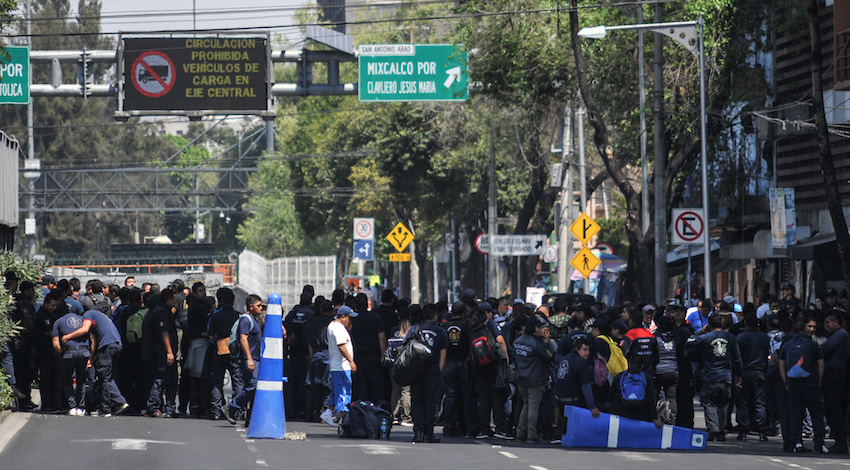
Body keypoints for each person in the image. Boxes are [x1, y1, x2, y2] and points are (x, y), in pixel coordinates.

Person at [686, 314, 743, 442]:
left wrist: (699, 332)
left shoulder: (706, 338)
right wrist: (738, 374)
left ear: (709, 325)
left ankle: (713, 428)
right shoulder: (730, 338)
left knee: (708, 402)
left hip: (710, 376)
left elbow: (689, 343)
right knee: (723, 404)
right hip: (726, 376)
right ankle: (721, 430)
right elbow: (737, 358)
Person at [779, 316, 828, 454]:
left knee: (796, 414)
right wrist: (818, 381)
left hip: (793, 384)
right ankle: (819, 443)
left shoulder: (787, 344)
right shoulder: (813, 345)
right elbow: (821, 363)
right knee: (816, 414)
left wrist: (786, 381)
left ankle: (797, 443)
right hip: (810, 384)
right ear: (805, 329)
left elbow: (781, 364)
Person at [408, 303, 448, 443]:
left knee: (417, 400)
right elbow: (443, 356)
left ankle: (418, 431)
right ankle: (428, 432)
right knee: (430, 402)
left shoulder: (414, 329)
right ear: (435, 315)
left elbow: (407, 350)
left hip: (416, 371)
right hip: (432, 371)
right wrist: (439, 371)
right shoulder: (441, 331)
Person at [222, 294, 264, 425]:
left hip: (254, 359)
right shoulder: (246, 320)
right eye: (258, 306)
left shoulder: (254, 319)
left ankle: (249, 417)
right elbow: (243, 339)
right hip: (248, 359)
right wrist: (249, 358)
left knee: (252, 387)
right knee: (253, 385)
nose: (261, 308)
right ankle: (231, 407)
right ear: (251, 306)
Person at [513, 315, 554, 444]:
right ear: (535, 328)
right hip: (535, 379)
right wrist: (547, 344)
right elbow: (549, 357)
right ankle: (531, 434)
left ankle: (520, 433)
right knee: (533, 407)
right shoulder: (537, 343)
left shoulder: (518, 340)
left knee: (526, 406)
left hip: (521, 377)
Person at [440, 301, 476, 438]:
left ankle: (449, 426)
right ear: (464, 312)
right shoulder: (467, 325)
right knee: (467, 396)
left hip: (449, 363)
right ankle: (469, 427)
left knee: (451, 396)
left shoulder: (445, 326)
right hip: (464, 363)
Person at [207, 287, 243, 420]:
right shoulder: (238, 316)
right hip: (235, 352)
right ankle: (237, 410)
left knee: (217, 381)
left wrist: (217, 340)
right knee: (237, 381)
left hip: (219, 349)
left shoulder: (215, 316)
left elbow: (210, 336)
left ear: (221, 300)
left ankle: (216, 410)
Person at [554, 337, 600, 438]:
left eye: (588, 350)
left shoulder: (565, 359)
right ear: (577, 349)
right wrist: (592, 406)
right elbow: (585, 387)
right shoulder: (580, 363)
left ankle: (559, 434)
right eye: (584, 350)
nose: (587, 353)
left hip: (559, 398)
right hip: (572, 400)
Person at [734, 314, 770, 441]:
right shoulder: (765, 338)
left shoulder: (741, 338)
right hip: (759, 371)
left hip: (745, 371)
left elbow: (737, 357)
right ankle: (762, 430)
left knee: (743, 401)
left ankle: (743, 430)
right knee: (759, 401)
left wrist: (737, 374)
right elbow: (767, 355)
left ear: (745, 324)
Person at [144, 289, 179, 417]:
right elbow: (164, 332)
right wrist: (169, 352)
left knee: (171, 380)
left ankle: (170, 408)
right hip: (163, 352)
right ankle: (153, 406)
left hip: (162, 351)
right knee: (161, 379)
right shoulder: (162, 313)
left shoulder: (158, 312)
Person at [52, 303, 90, 415]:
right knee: (81, 380)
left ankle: (72, 406)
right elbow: (92, 338)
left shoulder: (58, 321)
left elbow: (55, 344)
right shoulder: (83, 320)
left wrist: (60, 354)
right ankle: (81, 406)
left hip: (68, 353)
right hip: (84, 352)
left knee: (67, 380)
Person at [322, 306, 357, 427]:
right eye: (349, 318)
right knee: (344, 391)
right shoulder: (338, 328)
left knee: (337, 390)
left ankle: (328, 411)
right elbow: (341, 345)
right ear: (343, 317)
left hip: (338, 365)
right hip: (341, 366)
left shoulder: (334, 326)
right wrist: (351, 361)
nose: (350, 321)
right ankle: (344, 418)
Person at [821, 310, 850, 453]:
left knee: (834, 408)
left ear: (835, 323)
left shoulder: (841, 335)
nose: (825, 325)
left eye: (828, 322)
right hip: (832, 374)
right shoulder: (836, 335)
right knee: (832, 409)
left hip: (836, 375)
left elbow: (824, 349)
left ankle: (841, 442)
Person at [609, 355, 661, 426]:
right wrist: (654, 418)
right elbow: (651, 401)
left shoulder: (619, 377)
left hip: (622, 415)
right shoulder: (647, 377)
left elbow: (610, 397)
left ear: (629, 364)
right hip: (641, 416)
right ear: (642, 366)